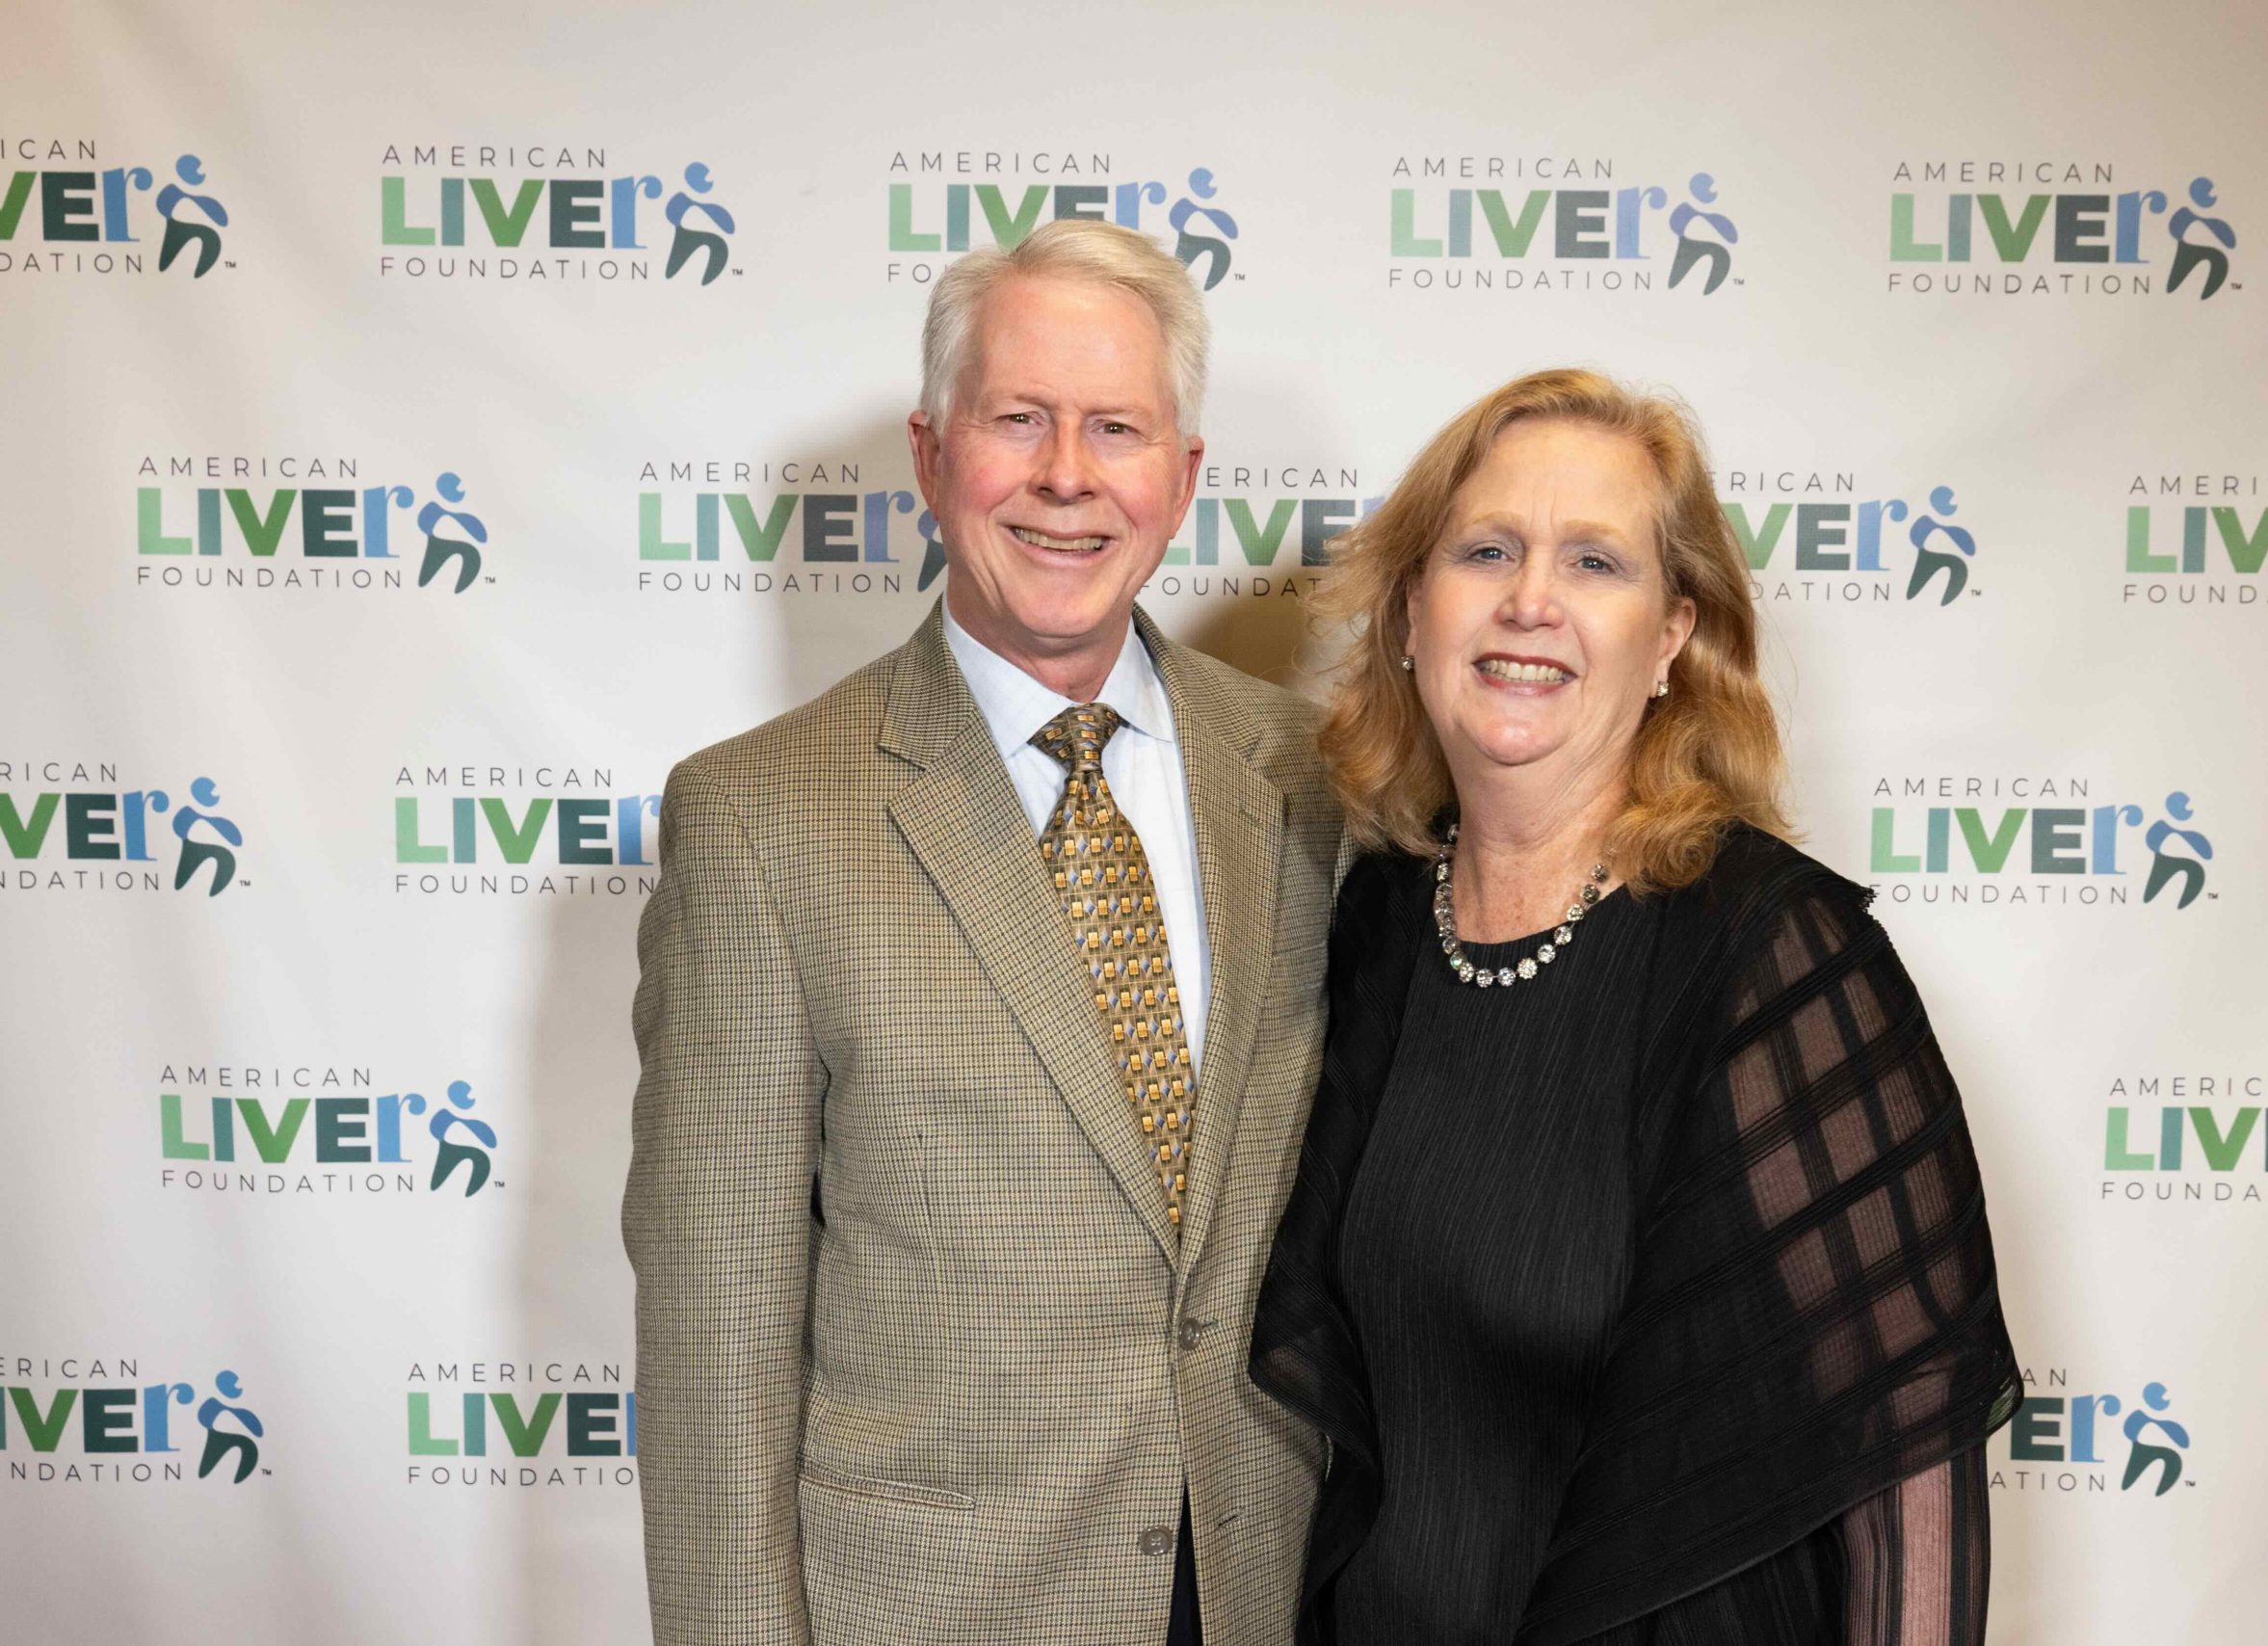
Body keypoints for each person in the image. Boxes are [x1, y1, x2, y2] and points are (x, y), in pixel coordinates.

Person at [622, 219, 1345, 1646]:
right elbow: (718, 1342)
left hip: (1270, 1594)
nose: (1068, 473)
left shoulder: (1315, 781)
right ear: (931, 453)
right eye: (1019, 419)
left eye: (1117, 428)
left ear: (1183, 477)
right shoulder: (761, 822)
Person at [1251, 369, 2020, 1644]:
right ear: (1410, 610)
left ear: (1671, 637)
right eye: (1486, 550)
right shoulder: (1377, 923)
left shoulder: (1772, 952)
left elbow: (1907, 1462)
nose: (1530, 600)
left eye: (1595, 562)